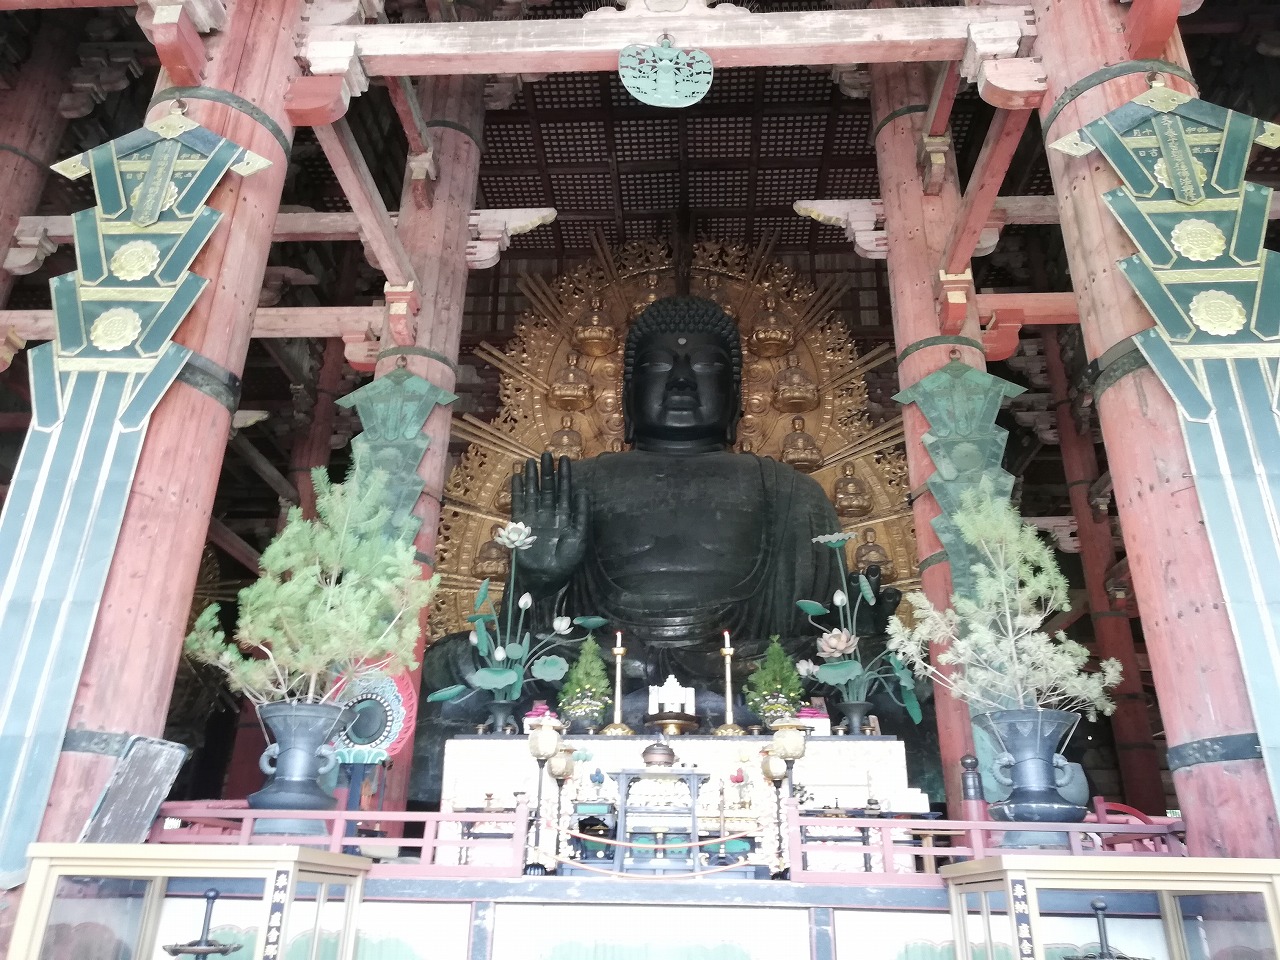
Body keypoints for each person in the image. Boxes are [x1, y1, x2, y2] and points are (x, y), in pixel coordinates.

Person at [509, 295, 883, 682]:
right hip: (603, 669)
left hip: (750, 669)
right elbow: (523, 633)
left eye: (706, 365)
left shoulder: (792, 493)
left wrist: (864, 625)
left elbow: (823, 630)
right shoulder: (574, 486)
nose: (682, 380)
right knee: (458, 658)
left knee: (877, 661)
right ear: (626, 391)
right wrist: (539, 580)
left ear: (736, 392)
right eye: (656, 365)